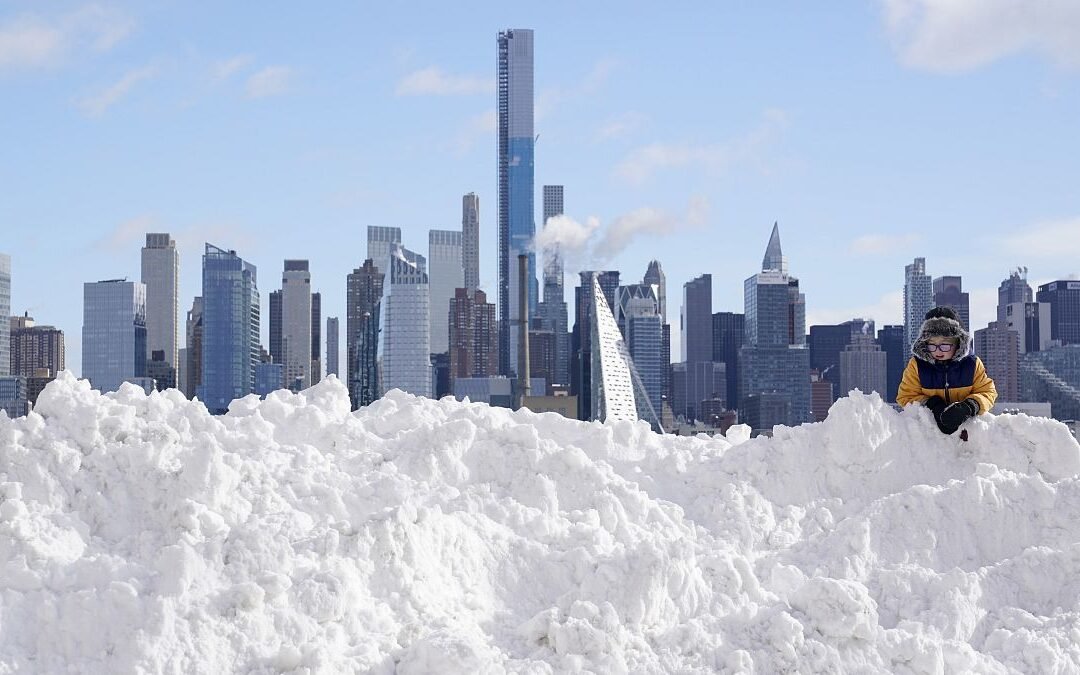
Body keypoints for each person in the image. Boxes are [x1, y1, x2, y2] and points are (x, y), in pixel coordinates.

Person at [896, 306, 997, 434]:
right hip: (928, 434)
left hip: (969, 433)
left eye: (944, 345)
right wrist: (932, 404)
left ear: (958, 343)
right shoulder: (917, 366)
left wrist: (969, 406)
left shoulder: (971, 365)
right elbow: (905, 396)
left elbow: (987, 392)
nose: (938, 350)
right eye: (932, 344)